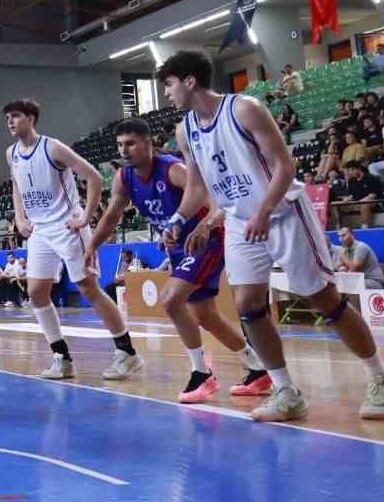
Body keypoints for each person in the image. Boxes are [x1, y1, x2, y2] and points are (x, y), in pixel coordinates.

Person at [159, 49, 384, 422]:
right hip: (239, 221)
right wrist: (178, 219)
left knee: (325, 300)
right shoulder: (184, 130)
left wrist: (265, 210)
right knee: (248, 305)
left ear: (189, 81)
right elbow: (198, 186)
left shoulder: (245, 109)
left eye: (169, 84)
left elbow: (285, 166)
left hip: (283, 213)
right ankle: (286, 391)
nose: (166, 94)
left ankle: (380, 377)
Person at [91, 119, 271, 403]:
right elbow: (112, 216)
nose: (124, 150)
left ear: (148, 144)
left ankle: (202, 374)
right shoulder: (124, 178)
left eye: (131, 143)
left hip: (206, 240)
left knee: (171, 299)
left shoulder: (173, 170)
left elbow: (215, 199)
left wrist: (206, 225)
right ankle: (258, 368)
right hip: (178, 248)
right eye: (120, 145)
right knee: (205, 316)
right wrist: (91, 246)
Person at [3, 98, 141, 381]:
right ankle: (62, 358)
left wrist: (86, 216)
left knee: (88, 288)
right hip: (40, 231)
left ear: (30, 118)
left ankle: (127, 352)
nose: (10, 122)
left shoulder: (52, 147)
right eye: (7, 118)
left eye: (15, 116)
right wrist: (19, 216)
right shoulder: (11, 153)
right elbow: (16, 184)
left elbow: (94, 177)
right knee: (36, 292)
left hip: (67, 226)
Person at [333, 160, 384, 229]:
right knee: (334, 204)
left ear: (359, 168)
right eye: (349, 170)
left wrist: (359, 203)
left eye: (352, 170)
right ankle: (338, 227)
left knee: (364, 203)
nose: (350, 172)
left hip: (374, 202)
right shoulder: (351, 180)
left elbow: (372, 196)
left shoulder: (371, 178)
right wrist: (345, 200)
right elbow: (351, 196)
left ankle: (364, 227)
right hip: (358, 202)